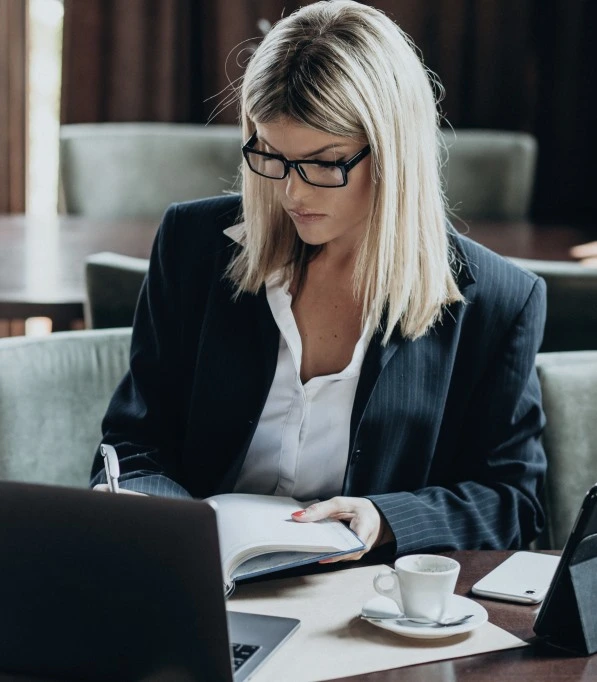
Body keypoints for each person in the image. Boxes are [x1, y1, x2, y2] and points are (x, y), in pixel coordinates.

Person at [91, 0, 547, 562]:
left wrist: (385, 520)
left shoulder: (498, 300)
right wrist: (173, 530)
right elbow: (132, 444)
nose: (292, 194)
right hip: (199, 580)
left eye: (324, 163)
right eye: (272, 156)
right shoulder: (193, 246)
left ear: (391, 154)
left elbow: (513, 501)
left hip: (363, 603)